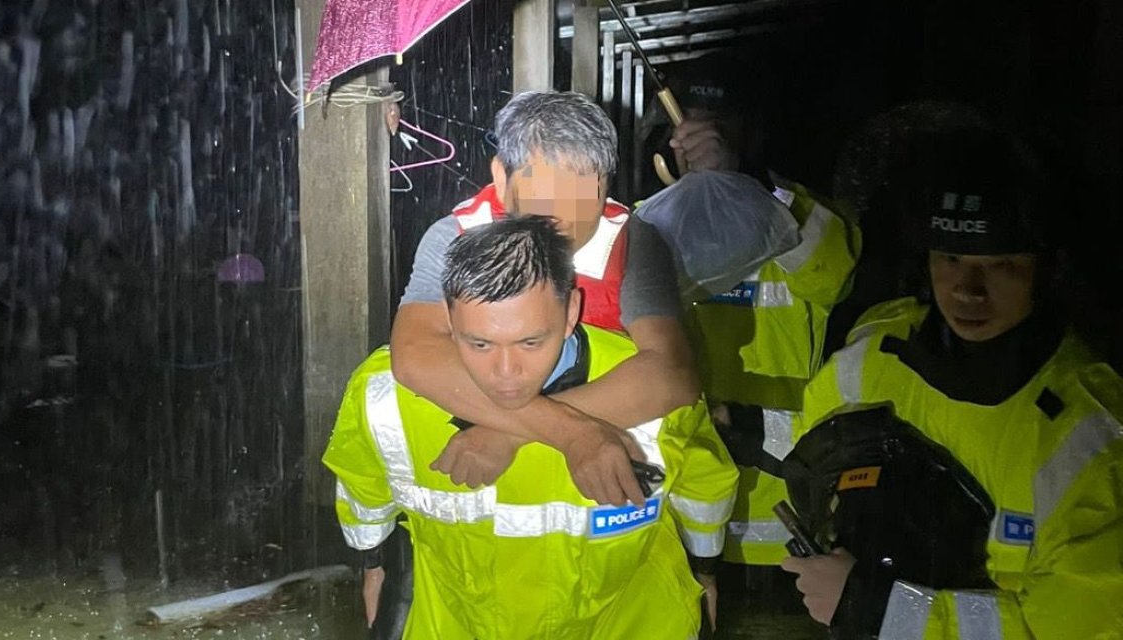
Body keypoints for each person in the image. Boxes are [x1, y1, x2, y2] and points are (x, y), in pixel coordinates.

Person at [324, 216, 739, 639]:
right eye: (480, 344)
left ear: (571, 311)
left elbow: (705, 487)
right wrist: (373, 565)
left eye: (530, 342)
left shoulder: (656, 390)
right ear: (447, 317)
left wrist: (705, 572)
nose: (507, 374)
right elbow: (363, 487)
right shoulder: (383, 394)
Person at [783, 129, 1123, 638]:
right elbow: (813, 450)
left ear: (1049, 273)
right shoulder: (877, 352)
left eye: (1000, 265)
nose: (967, 290)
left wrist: (872, 606)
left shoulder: (1087, 436)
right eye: (951, 259)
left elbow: (1077, 628)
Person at [640, 52, 862, 571]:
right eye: (689, 124)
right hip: (677, 533)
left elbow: (836, 275)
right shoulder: (644, 226)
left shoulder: (796, 212)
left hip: (783, 533)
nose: (699, 141)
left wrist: (752, 188)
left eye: (720, 128)